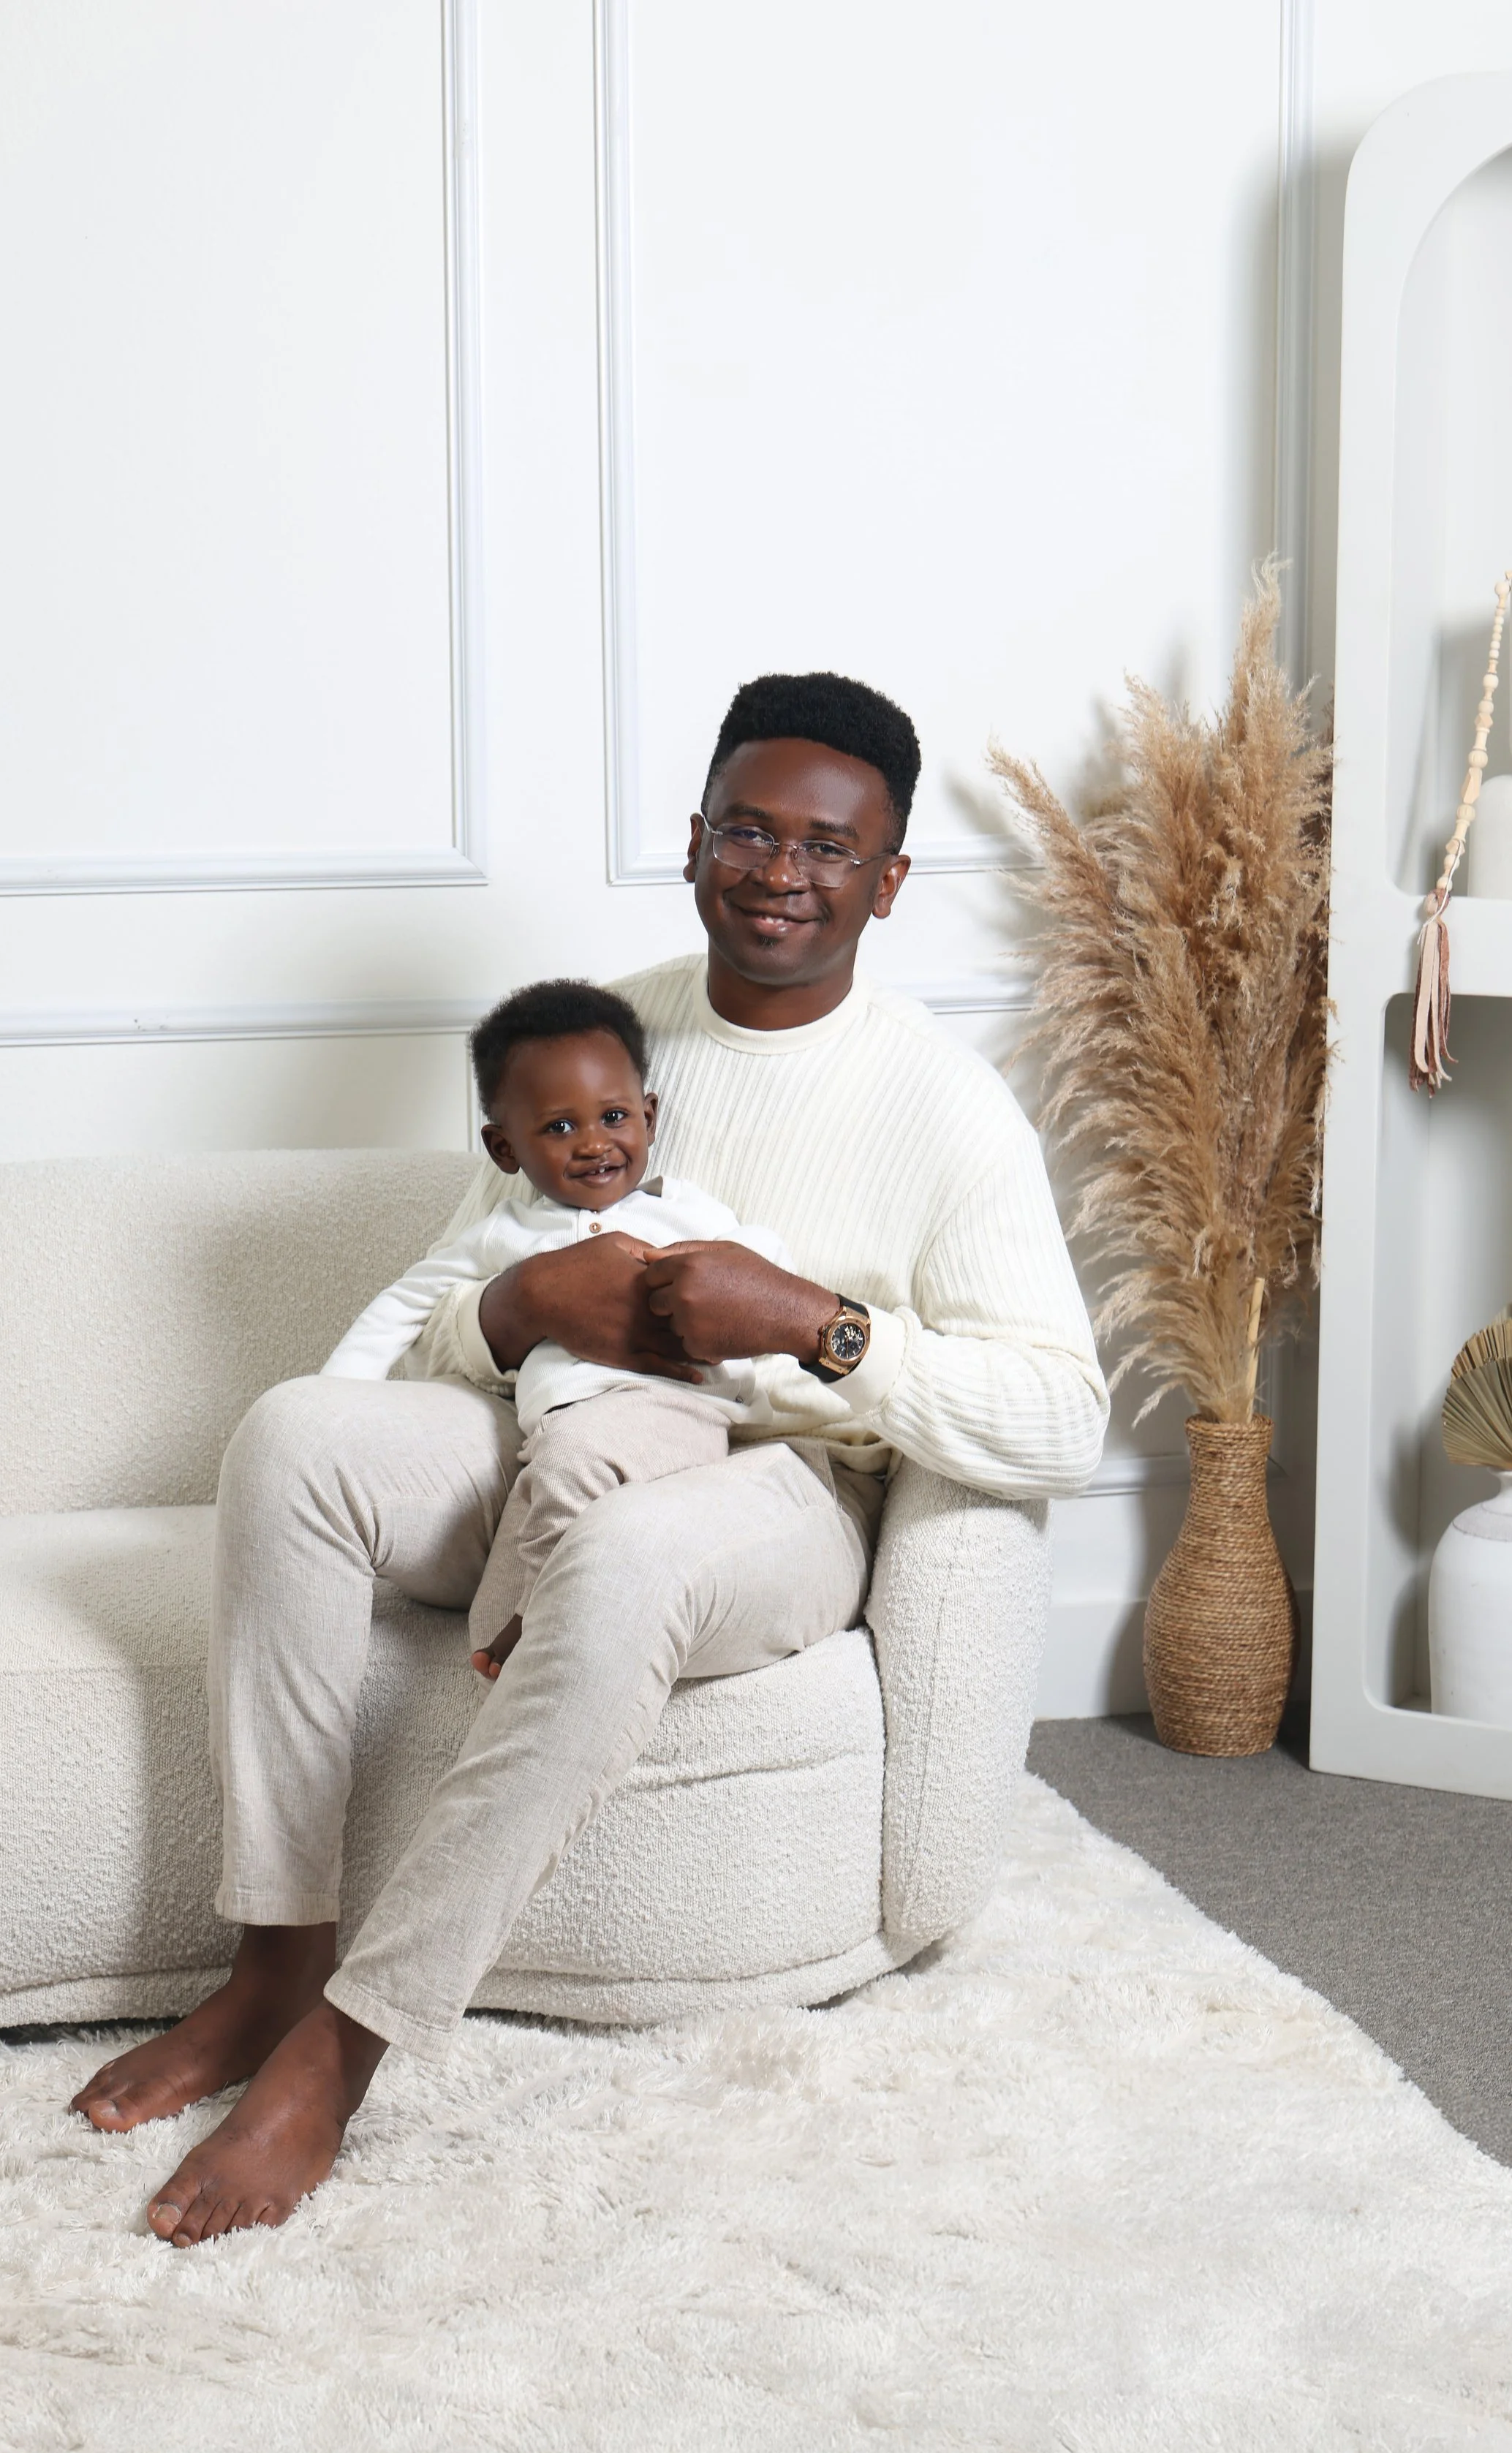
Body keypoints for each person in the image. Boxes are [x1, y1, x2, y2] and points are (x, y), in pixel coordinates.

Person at [71, 669, 1109, 2246]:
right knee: (289, 1432)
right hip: (552, 1431)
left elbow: (1058, 1415)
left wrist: (824, 1328)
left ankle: (343, 2047)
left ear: (888, 881)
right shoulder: (602, 1037)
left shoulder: (946, 1110)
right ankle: (271, 1955)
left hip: (777, 1486)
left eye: (828, 848)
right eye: (748, 830)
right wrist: (510, 1308)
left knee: (622, 1556)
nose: (779, 872)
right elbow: (444, 1304)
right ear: (693, 837)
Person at [320, 977, 795, 1675]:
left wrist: (770, 1337)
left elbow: (765, 1273)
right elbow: (405, 1304)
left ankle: (529, 1631)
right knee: (540, 1493)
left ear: (650, 1116)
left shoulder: (685, 1213)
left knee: (572, 1466)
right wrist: (336, 1400)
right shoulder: (503, 1236)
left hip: (677, 1412)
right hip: (555, 1431)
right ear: (504, 1148)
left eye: (614, 1116)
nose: (594, 1144)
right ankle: (511, 1639)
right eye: (559, 1127)